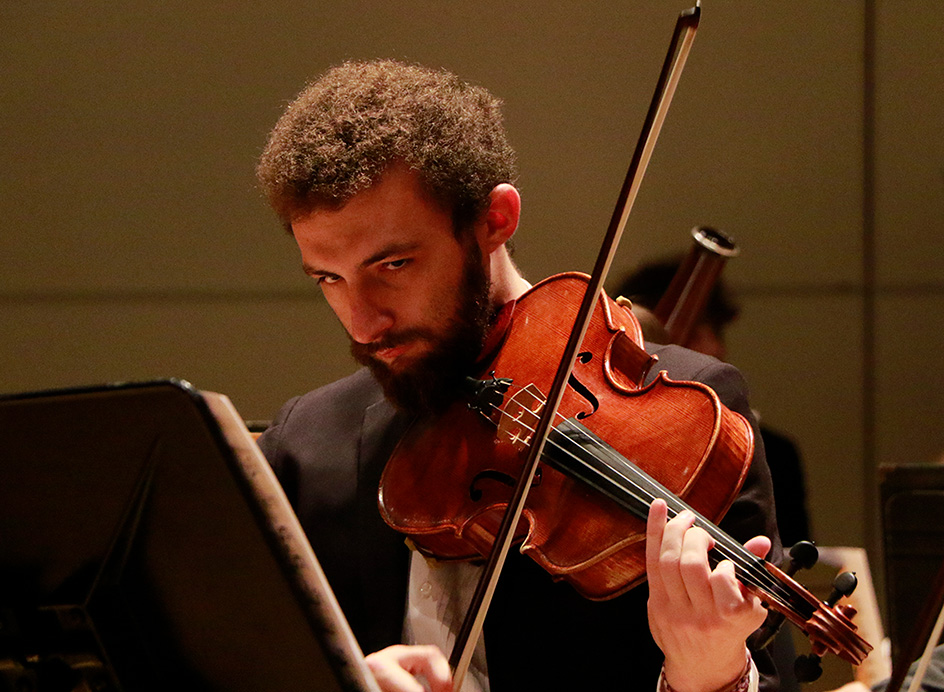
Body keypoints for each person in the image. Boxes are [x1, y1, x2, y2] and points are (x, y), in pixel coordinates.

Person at [254, 60, 782, 692]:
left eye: (393, 264)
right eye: (328, 279)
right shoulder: (309, 445)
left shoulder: (683, 418)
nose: (363, 324)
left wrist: (709, 673)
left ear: (494, 220)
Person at [613, 258, 812, 548]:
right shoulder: (607, 438)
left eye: (716, 332)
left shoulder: (775, 453)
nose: (714, 348)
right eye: (694, 332)